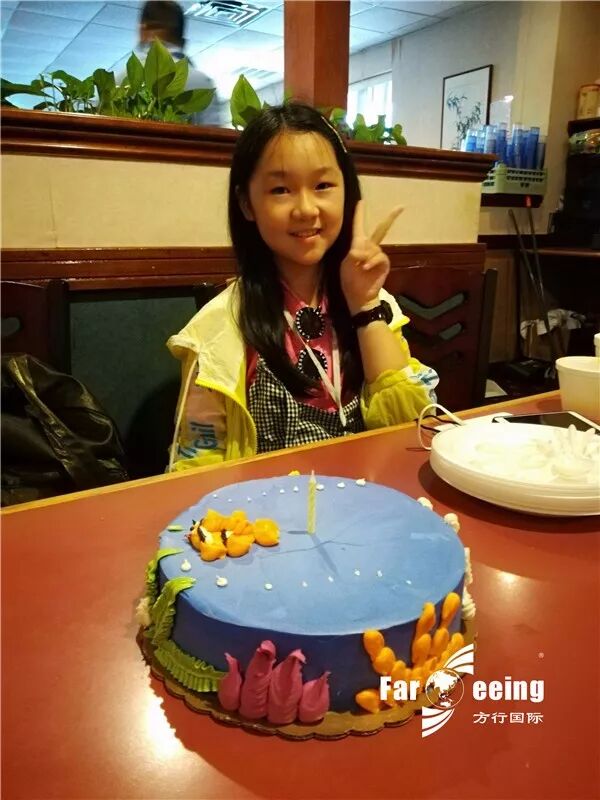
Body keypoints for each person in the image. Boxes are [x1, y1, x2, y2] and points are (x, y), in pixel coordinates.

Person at [167, 102, 439, 470]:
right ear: (247, 204)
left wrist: (365, 308)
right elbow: (197, 467)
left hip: (367, 495)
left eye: (323, 185)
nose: (307, 209)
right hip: (265, 504)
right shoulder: (218, 331)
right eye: (281, 189)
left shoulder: (378, 305)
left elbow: (411, 430)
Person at [125, 0, 221, 125]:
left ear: (143, 28)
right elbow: (214, 134)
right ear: (182, 41)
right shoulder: (202, 83)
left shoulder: (120, 81)